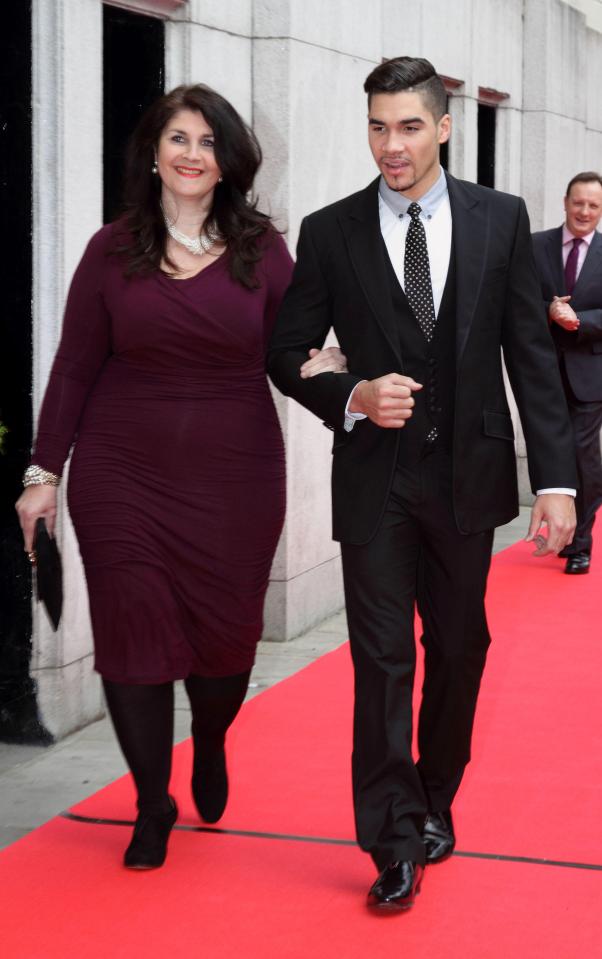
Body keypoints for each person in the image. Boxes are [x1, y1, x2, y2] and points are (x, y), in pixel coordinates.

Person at [267, 57, 577, 911]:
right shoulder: (331, 232)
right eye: (377, 126)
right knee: (383, 662)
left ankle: (436, 796)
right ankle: (393, 837)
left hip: (467, 479)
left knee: (461, 650)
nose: (390, 145)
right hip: (376, 483)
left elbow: (530, 356)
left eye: (407, 126)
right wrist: (352, 395)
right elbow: (286, 352)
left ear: (444, 126)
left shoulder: (500, 219)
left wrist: (557, 481)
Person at [15, 84, 344, 870]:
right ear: (154, 155)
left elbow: (288, 352)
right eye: (178, 139)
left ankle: (212, 734)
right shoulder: (111, 248)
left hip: (235, 477)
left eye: (207, 142)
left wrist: (334, 374)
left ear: (228, 159)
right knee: (133, 635)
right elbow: (73, 366)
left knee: (224, 647)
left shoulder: (263, 249)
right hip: (121, 469)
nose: (193, 155)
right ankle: (152, 801)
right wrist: (42, 472)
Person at [532, 172, 602, 575]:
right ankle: (563, 528)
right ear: (565, 202)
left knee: (581, 454)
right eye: (579, 203)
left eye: (593, 205)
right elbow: (520, 297)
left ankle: (581, 542)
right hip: (544, 371)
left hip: (590, 372)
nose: (585, 212)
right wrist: (549, 310)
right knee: (553, 453)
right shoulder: (535, 245)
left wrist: (579, 320)